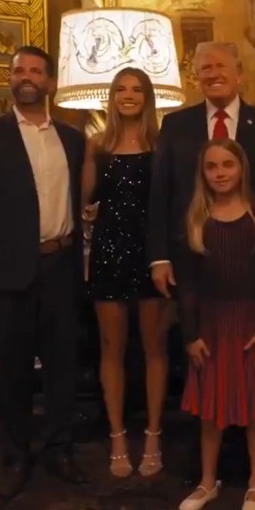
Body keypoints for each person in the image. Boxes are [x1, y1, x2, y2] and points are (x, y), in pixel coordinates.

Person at [0, 46, 87, 500]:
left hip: (61, 266)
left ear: (49, 82)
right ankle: (16, 455)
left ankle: (59, 448)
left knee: (62, 367)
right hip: (8, 270)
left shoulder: (72, 138)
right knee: (12, 369)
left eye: (36, 70)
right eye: (19, 70)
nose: (27, 77)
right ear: (10, 80)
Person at [175, 139, 255, 510]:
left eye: (227, 165)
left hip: (249, 323)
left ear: (241, 169)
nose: (220, 173)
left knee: (254, 409)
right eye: (212, 167)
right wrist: (191, 334)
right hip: (210, 327)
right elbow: (186, 286)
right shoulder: (195, 219)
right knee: (210, 410)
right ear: (203, 173)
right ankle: (207, 481)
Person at [147, 41, 255, 293]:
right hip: (189, 258)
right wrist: (160, 258)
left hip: (252, 258)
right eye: (205, 68)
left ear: (239, 73)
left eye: (221, 66)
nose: (213, 74)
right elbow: (160, 193)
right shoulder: (174, 125)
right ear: (197, 76)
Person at [82, 67, 169, 478]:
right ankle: (117, 435)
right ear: (112, 96)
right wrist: (87, 153)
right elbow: (84, 199)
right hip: (108, 253)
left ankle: (153, 433)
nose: (128, 95)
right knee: (111, 348)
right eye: (121, 89)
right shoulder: (97, 145)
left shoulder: (162, 145)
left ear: (147, 97)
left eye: (137, 89)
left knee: (154, 348)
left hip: (151, 255)